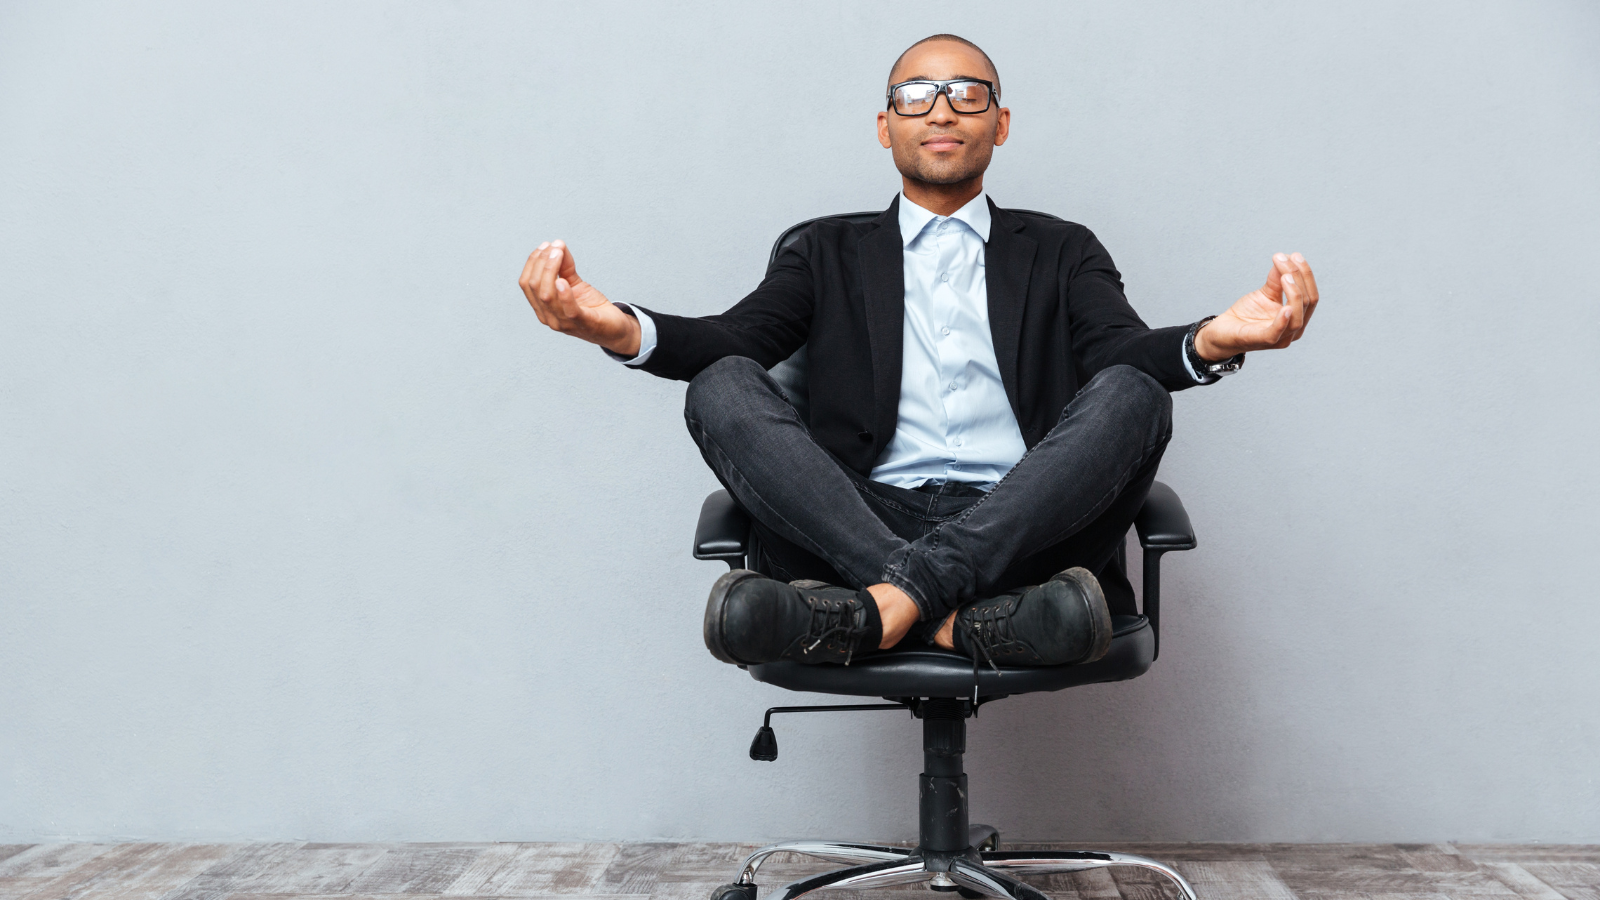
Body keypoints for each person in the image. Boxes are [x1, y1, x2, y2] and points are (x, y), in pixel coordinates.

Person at [517, 34, 1319, 673]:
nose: (942, 109)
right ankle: (960, 622)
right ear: (885, 125)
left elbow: (1121, 351)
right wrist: (617, 327)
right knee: (723, 382)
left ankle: (877, 613)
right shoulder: (824, 251)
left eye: (967, 93)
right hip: (860, 516)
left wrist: (1211, 341)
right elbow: (735, 340)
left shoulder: (1063, 249)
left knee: (1134, 394)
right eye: (916, 95)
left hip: (1023, 522)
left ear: (999, 123)